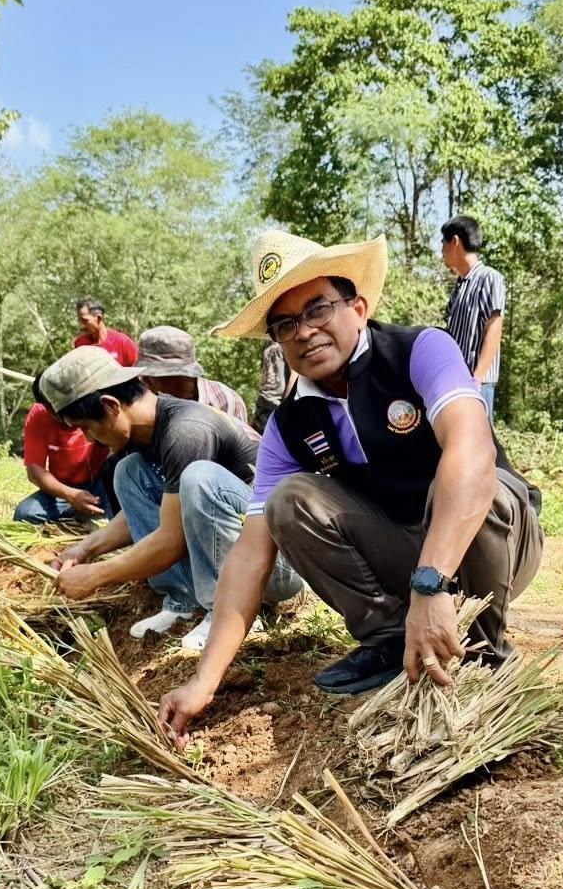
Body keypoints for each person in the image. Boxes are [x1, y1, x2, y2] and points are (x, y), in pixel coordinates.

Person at [158, 228, 543, 740]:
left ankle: (485, 648)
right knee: (289, 501)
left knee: (486, 484)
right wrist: (204, 681)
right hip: (403, 548)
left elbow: (472, 453)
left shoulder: (419, 351)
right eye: (285, 323)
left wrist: (431, 584)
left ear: (357, 308)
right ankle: (387, 636)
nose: (304, 331)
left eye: (317, 309)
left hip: (491, 542)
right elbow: (250, 556)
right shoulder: (290, 424)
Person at [37, 347, 303, 649]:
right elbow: (161, 513)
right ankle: (183, 601)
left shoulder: (185, 431)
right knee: (129, 471)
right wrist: (84, 550)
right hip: (247, 552)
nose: (87, 439)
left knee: (200, 479)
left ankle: (230, 613)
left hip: (280, 564)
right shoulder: (147, 433)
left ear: (111, 406)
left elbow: (170, 540)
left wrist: (95, 576)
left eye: (86, 427)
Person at [14, 378, 110, 525]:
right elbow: (34, 471)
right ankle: (77, 513)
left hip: (101, 484)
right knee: (26, 513)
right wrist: (71, 496)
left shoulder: (93, 403)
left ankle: (92, 513)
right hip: (63, 491)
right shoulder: (39, 415)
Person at [441, 216, 505, 419]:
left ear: (455, 242)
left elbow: (494, 327)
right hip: (456, 381)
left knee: (480, 445)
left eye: (443, 242)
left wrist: (476, 379)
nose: (441, 249)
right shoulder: (460, 285)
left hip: (477, 383)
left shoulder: (488, 277)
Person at [134, 326, 250, 424]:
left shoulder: (225, 401)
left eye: (149, 377)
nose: (145, 382)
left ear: (182, 376)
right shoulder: (141, 400)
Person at [75, 297, 138, 367]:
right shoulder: (80, 344)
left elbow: (138, 371)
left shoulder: (123, 342)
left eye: (85, 321)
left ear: (99, 318)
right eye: (79, 320)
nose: (81, 326)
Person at [252, 335, 288, 434]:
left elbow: (295, 373)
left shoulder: (286, 340)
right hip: (264, 399)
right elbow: (265, 370)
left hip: (278, 402)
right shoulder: (267, 342)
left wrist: (288, 404)